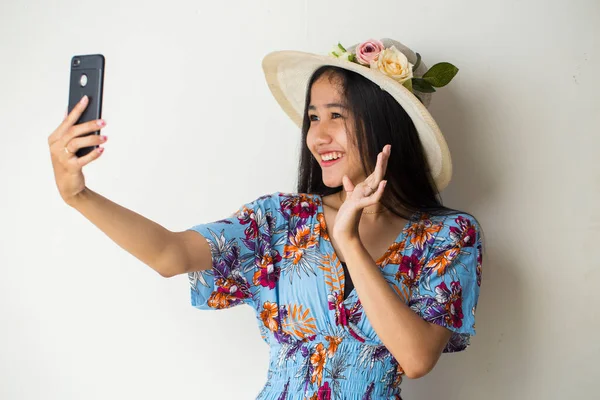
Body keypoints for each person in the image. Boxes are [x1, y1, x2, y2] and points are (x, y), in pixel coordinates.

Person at [48, 38, 484, 400]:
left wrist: (349, 239)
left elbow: (416, 358)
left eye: (337, 116)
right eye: (313, 118)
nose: (318, 135)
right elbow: (170, 254)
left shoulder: (448, 236)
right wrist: (78, 194)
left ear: (387, 123)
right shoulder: (281, 219)